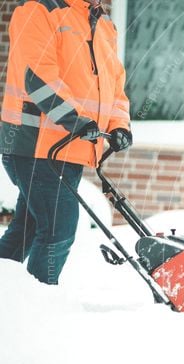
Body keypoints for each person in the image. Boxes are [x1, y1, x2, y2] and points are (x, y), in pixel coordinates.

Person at [0, 0, 132, 285]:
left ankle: (9, 300)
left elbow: (116, 87)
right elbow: (37, 78)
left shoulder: (103, 23)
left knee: (27, 229)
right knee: (58, 230)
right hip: (35, 145)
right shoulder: (39, 10)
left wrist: (119, 124)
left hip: (70, 149)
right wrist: (78, 120)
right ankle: (39, 306)